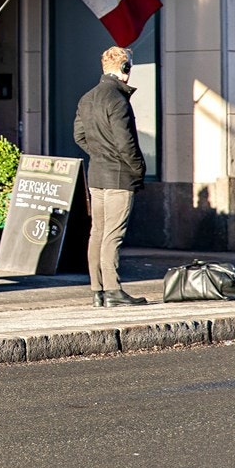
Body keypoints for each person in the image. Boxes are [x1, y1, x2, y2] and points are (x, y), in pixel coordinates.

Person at [73, 46, 148, 308]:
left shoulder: (87, 98)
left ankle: (98, 291)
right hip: (119, 177)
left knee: (98, 233)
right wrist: (139, 170)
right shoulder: (117, 100)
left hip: (97, 175)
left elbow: (79, 136)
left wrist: (100, 152)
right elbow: (126, 144)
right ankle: (114, 290)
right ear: (125, 69)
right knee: (113, 235)